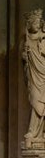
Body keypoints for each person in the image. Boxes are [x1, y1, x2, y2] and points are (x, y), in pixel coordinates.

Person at [23, 8, 45, 145]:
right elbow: (25, 63)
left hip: (44, 74)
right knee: (36, 101)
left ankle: (40, 133)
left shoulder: (44, 39)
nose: (36, 25)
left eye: (38, 23)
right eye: (34, 22)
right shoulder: (26, 41)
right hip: (34, 76)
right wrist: (25, 58)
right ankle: (33, 131)